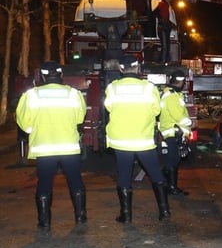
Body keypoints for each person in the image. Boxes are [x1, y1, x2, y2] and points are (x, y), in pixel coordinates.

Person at [15, 62, 88, 229]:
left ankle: (44, 222)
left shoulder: (31, 95)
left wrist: (34, 130)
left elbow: (23, 122)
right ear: (61, 74)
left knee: (44, 184)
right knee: (76, 182)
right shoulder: (73, 94)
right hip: (69, 147)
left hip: (44, 147)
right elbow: (79, 118)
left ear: (42, 75)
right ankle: (81, 217)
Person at [104, 54, 171, 222]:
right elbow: (156, 111)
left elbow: (109, 107)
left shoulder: (112, 88)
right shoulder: (149, 88)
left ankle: (126, 216)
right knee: (156, 174)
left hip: (121, 141)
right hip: (143, 140)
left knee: (124, 176)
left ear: (120, 68)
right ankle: (164, 211)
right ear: (137, 67)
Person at [159, 70, 192, 197]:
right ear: (180, 81)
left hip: (173, 131)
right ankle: (169, 186)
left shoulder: (172, 94)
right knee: (173, 160)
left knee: (174, 159)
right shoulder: (172, 96)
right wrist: (189, 123)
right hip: (173, 131)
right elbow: (178, 115)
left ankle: (168, 185)